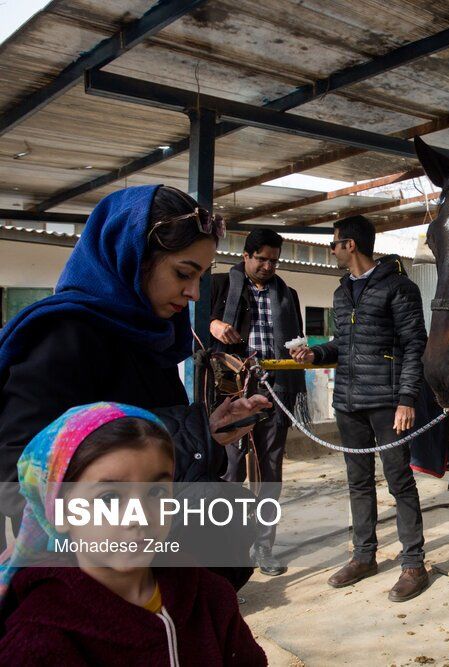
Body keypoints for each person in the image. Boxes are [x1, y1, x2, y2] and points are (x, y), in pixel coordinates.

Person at [0, 185, 269, 589]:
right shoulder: (64, 336)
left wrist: (204, 430)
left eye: (200, 276)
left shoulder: (148, 334)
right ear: (133, 258)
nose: (194, 293)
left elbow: (140, 431)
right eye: (183, 273)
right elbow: (16, 471)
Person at [0, 402, 267, 665]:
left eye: (156, 492)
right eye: (109, 498)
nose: (139, 515)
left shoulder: (210, 596)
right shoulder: (40, 640)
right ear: (59, 512)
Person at [291, 215, 430, 602]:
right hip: (348, 402)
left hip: (387, 402)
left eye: (334, 243)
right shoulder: (341, 292)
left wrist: (406, 399)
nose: (331, 250)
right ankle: (364, 556)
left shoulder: (399, 287)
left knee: (400, 480)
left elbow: (415, 344)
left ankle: (414, 564)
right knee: (358, 482)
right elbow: (344, 342)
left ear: (350, 245)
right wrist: (316, 352)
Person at [210, 228, 306, 576]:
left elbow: (296, 337)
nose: (268, 266)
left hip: (275, 391)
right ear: (246, 256)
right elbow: (192, 325)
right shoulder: (220, 286)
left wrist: (299, 349)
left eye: (274, 260)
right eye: (262, 258)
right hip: (231, 394)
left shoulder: (287, 294)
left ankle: (264, 545)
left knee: (270, 472)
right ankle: (225, 546)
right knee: (229, 470)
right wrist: (214, 324)